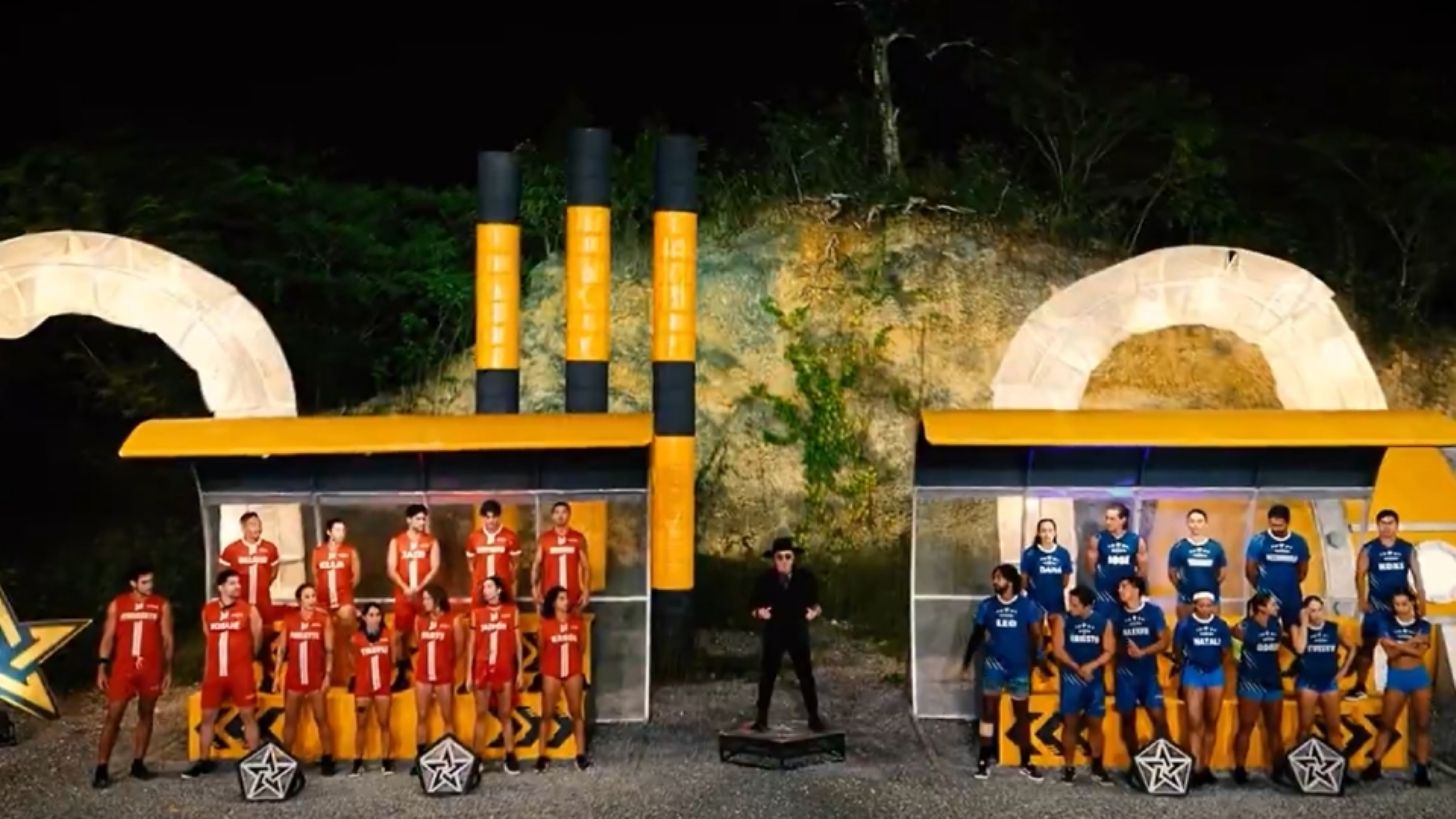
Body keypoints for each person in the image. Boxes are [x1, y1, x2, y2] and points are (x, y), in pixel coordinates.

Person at [960, 563, 1044, 780]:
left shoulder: (1027, 606)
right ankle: (983, 759)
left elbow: (1036, 636)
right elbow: (977, 635)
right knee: (988, 712)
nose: (994, 582)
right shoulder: (987, 606)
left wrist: (1037, 662)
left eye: (998, 578)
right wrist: (966, 663)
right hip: (994, 666)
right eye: (994, 578)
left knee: (1022, 715)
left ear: (1010, 581)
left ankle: (1027, 761)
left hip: (1019, 668)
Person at [93, 563, 173, 788]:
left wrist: (168, 670)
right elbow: (108, 637)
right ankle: (101, 767)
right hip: (124, 667)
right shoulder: (118, 604)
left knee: (146, 713)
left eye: (151, 581)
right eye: (144, 582)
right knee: (113, 715)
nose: (150, 586)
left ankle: (138, 762)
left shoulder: (161, 604)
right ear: (133, 583)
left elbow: (167, 639)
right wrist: (102, 667)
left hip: (150, 667)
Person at [183, 569, 264, 778]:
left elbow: (257, 638)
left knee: (248, 715)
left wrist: (248, 659)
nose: (237, 587)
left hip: (240, 672)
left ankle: (254, 760)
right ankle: (203, 760)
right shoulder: (208, 610)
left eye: (238, 583)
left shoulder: (249, 610)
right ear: (221, 587)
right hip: (215, 673)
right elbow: (208, 638)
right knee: (207, 716)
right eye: (232, 583)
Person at [1348, 509, 1426, 701]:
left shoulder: (1406, 548)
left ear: (1397, 525)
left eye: (1390, 523)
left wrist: (1421, 600)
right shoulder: (1369, 549)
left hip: (1400, 608)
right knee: (1367, 647)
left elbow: (1417, 576)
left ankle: (1399, 687)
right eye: (1383, 523)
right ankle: (1360, 686)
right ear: (1377, 525)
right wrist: (1362, 600)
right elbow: (1359, 575)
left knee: (1400, 648)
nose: (1386, 527)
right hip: (1376, 607)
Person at [749, 536, 825, 733]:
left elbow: (817, 604)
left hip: (797, 632)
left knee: (805, 675)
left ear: (794, 558)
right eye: (779, 557)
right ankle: (761, 718)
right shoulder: (765, 580)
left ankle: (814, 717)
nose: (784, 561)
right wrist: (759, 613)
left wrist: (814, 612)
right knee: (768, 675)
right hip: (774, 632)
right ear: (774, 559)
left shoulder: (805, 579)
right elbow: (752, 606)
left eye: (787, 557)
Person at [1361, 588, 1433, 786]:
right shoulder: (1386, 623)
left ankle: (1422, 767)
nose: (1401, 608)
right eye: (1397, 605)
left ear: (1412, 604)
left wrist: (1396, 644)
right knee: (1387, 723)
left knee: (1422, 724)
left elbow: (1419, 653)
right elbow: (1391, 654)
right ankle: (1375, 763)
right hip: (1396, 677)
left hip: (1418, 677)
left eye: (1404, 604)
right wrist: (1412, 642)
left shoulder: (1423, 625)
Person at [1050, 585, 1114, 785]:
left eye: (1075, 605)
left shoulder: (1103, 622)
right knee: (1070, 724)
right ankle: (1069, 767)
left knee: (1096, 724)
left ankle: (1097, 765)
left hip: (1094, 681)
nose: (1071, 608)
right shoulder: (1063, 620)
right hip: (1071, 680)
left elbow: (1109, 650)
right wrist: (1078, 668)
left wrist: (1091, 666)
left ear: (1088, 606)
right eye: (1070, 603)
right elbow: (1058, 649)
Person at [1111, 575, 1170, 787]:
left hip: (1148, 674)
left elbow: (1164, 641)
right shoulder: (1116, 614)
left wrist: (1143, 652)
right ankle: (1136, 764)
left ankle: (1165, 760)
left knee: (1159, 718)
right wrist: (1122, 650)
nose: (1120, 590)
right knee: (1128, 720)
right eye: (1119, 587)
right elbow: (1109, 643)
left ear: (1137, 589)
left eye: (1124, 586)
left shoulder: (1152, 612)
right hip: (1124, 675)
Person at [1172, 591, 1231, 788]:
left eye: (1209, 605)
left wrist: (1214, 665)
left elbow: (1225, 652)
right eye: (1202, 605)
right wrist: (1186, 665)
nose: (1206, 609)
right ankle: (1195, 766)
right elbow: (1177, 650)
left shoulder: (1220, 626)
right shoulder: (1185, 625)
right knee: (1194, 722)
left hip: (1215, 674)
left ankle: (1206, 766)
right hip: (1193, 674)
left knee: (1211, 721)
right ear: (1195, 606)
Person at [1292, 595, 1355, 776]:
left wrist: (1343, 671)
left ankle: (1339, 770)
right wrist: (1304, 623)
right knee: (1305, 727)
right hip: (1307, 683)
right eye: (1312, 611)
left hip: (1329, 682)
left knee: (1334, 727)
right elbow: (1300, 648)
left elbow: (1352, 648)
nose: (1317, 614)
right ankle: (1302, 769)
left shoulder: (1333, 628)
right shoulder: (1297, 628)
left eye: (1319, 609)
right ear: (1305, 612)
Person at [277, 583, 335, 776]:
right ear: (299, 600)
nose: (311, 600)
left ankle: (328, 757)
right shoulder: (290, 620)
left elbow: (329, 651)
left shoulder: (323, 620)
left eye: (313, 596)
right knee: (290, 720)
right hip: (294, 679)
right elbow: (282, 650)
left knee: (322, 719)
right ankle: (286, 758)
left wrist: (328, 675)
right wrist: (277, 675)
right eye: (307, 596)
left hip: (315, 679)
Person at [468, 575, 523, 775]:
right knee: (480, 714)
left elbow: (517, 644)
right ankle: (477, 757)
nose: (486, 590)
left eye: (489, 586)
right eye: (484, 588)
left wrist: (520, 671)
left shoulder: (511, 612)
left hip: (504, 669)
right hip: (482, 670)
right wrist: (468, 674)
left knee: (505, 714)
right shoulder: (477, 613)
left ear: (499, 590)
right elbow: (472, 645)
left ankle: (510, 755)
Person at [219, 511, 281, 691]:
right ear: (244, 527)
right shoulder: (232, 550)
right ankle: (237, 679)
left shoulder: (270, 548)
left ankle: (267, 677)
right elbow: (223, 575)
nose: (257, 528)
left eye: (259, 524)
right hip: (240, 603)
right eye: (253, 524)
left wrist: (263, 584)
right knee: (240, 638)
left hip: (262, 601)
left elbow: (273, 572)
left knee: (266, 636)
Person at [1231, 592, 1288, 784]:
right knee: (1246, 726)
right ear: (1261, 608)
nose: (1276, 607)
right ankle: (1240, 769)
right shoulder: (1241, 628)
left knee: (1275, 728)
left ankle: (1278, 769)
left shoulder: (1277, 624)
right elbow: (1236, 658)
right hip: (1250, 683)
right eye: (1272, 604)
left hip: (1273, 682)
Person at [409, 584, 462, 777]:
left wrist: (446, 665)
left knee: (447, 717)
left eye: (427, 599)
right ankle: (420, 757)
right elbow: (419, 644)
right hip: (423, 675)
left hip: (443, 676)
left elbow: (459, 648)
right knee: (421, 716)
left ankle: (449, 757)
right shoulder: (419, 620)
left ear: (437, 599)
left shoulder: (453, 621)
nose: (424, 602)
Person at [387, 504, 441, 690]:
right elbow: (391, 568)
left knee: (427, 632)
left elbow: (434, 567)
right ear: (408, 520)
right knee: (399, 635)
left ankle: (428, 670)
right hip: (403, 594)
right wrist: (405, 588)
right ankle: (401, 670)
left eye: (424, 519)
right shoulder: (397, 541)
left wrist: (420, 587)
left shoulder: (431, 541)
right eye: (418, 519)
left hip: (424, 595)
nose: (422, 522)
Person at [537, 585, 590, 772]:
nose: (566, 601)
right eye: (561, 598)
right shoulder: (545, 625)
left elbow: (582, 647)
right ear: (553, 603)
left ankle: (580, 754)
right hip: (551, 673)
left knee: (576, 713)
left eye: (566, 598)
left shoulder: (578, 623)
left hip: (573, 672)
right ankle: (541, 755)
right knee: (546, 714)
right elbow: (541, 649)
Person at [350, 602, 396, 776]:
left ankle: (386, 761)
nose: (375, 618)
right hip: (363, 688)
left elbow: (393, 660)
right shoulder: (356, 638)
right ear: (364, 617)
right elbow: (351, 660)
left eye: (378, 615)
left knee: (384, 724)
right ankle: (357, 761)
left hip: (382, 687)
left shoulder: (388, 636)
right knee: (360, 725)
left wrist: (389, 680)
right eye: (371, 615)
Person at [1021, 518, 1073, 669]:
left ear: (1055, 532)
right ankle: (1036, 664)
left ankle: (1057, 667)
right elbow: (1024, 579)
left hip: (1056, 602)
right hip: (1035, 601)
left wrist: (1055, 590)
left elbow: (1065, 579)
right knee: (1036, 637)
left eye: (1050, 530)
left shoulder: (1063, 553)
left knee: (1058, 639)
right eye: (1043, 531)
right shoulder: (1030, 554)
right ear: (1038, 533)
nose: (1047, 534)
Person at [1086, 503, 1147, 618]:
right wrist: (1103, 578)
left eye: (1112, 519)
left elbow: (1142, 570)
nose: (1108, 522)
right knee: (1104, 624)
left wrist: (1130, 586)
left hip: (1127, 594)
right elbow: (1091, 568)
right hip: (1104, 594)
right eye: (1107, 518)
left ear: (1123, 520)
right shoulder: (1097, 539)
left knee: (1127, 623)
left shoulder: (1136, 540)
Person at [1167, 509, 1228, 620]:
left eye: (1199, 521)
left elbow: (1222, 573)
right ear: (1187, 523)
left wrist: (1210, 586)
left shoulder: (1216, 547)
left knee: (1212, 627)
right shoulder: (1179, 547)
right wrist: (1183, 588)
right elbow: (1172, 574)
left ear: (1205, 524)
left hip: (1211, 598)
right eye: (1192, 521)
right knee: (1185, 628)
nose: (1196, 525)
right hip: (1186, 600)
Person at [532, 501, 590, 609]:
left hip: (573, 595)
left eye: (564, 512)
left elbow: (586, 567)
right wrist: (534, 588)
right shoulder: (544, 539)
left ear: (569, 515)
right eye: (557, 512)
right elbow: (536, 565)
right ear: (552, 515)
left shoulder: (578, 538)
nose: (560, 516)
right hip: (549, 595)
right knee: (549, 620)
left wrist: (586, 590)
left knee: (574, 620)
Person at [467, 500, 521, 605]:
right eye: (488, 517)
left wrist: (511, 583)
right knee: (479, 613)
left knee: (505, 612)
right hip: (480, 588)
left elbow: (515, 564)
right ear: (483, 518)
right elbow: (471, 563)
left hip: (503, 587)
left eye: (494, 517)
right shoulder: (474, 537)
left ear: (499, 517)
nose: (491, 521)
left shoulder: (510, 536)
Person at [313, 519, 361, 621]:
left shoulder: (350, 551)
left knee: (346, 623)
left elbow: (356, 578)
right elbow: (315, 576)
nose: (341, 533)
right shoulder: (317, 552)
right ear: (329, 532)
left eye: (343, 530)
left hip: (344, 600)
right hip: (322, 600)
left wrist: (344, 590)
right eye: (338, 530)